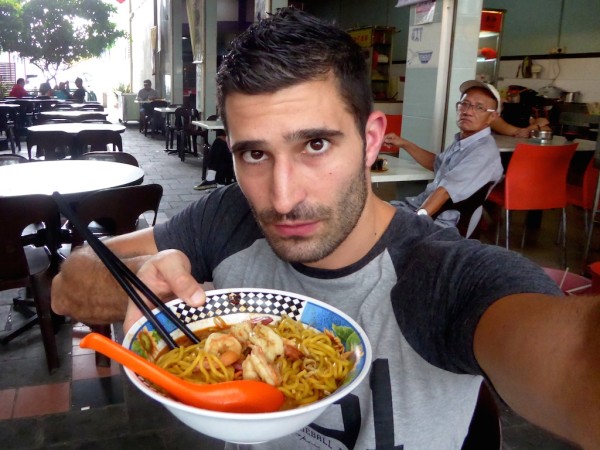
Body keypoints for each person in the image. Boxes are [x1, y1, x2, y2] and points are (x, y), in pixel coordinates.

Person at [51, 8, 600, 450]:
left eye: (315, 144)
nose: (283, 197)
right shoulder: (227, 216)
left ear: (371, 139)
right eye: (255, 154)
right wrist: (146, 278)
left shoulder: (443, 278)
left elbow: (576, 361)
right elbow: (67, 284)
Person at [384, 80, 504, 236]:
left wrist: (415, 222)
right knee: (365, 210)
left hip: (439, 222)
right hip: (418, 207)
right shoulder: (464, 141)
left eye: (479, 107)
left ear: (492, 117)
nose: (467, 111)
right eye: (464, 104)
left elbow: (444, 192)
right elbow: (437, 164)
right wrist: (404, 143)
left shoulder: (483, 152)